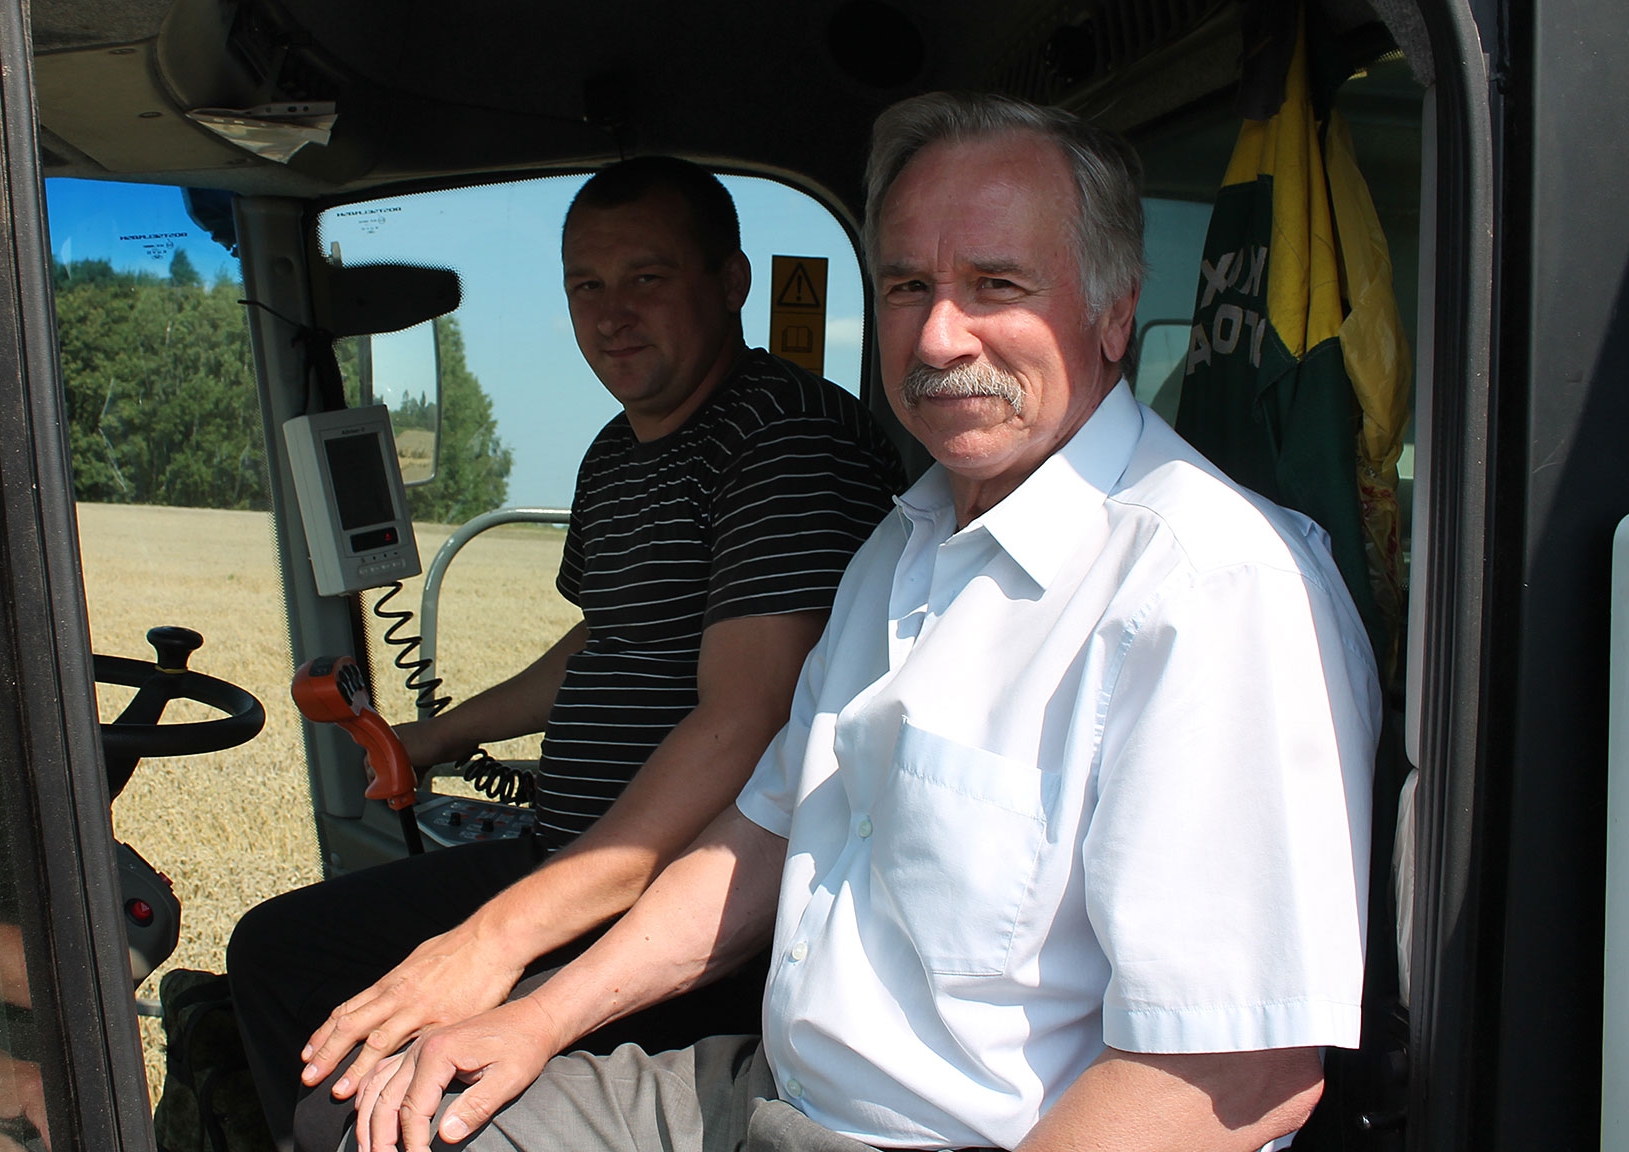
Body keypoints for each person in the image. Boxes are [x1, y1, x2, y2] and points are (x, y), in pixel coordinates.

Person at [347, 92, 1380, 1152]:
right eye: (906, 286)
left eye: (996, 285)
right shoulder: (902, 544)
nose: (938, 334)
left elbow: (1235, 1075)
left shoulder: (1209, 591)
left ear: (1115, 312)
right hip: (765, 1092)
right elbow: (766, 829)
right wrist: (535, 1016)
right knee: (388, 1123)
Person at [226, 156, 905, 1151]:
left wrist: (495, 939)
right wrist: (434, 736)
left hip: (687, 900)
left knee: (366, 1111)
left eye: (646, 278)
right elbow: (605, 637)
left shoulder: (787, 439)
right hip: (566, 857)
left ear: (730, 282)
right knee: (280, 951)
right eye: (585, 286)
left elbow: (747, 720)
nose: (610, 314)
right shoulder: (617, 452)